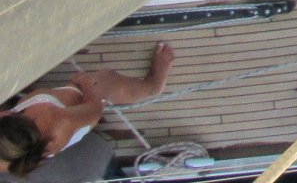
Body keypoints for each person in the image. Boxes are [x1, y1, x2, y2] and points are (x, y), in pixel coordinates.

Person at [0, 44, 173, 176]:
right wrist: (87, 86)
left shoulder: (6, 157)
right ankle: (152, 86)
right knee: (105, 81)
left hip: (54, 100)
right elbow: (95, 109)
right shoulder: (60, 125)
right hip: (82, 102)